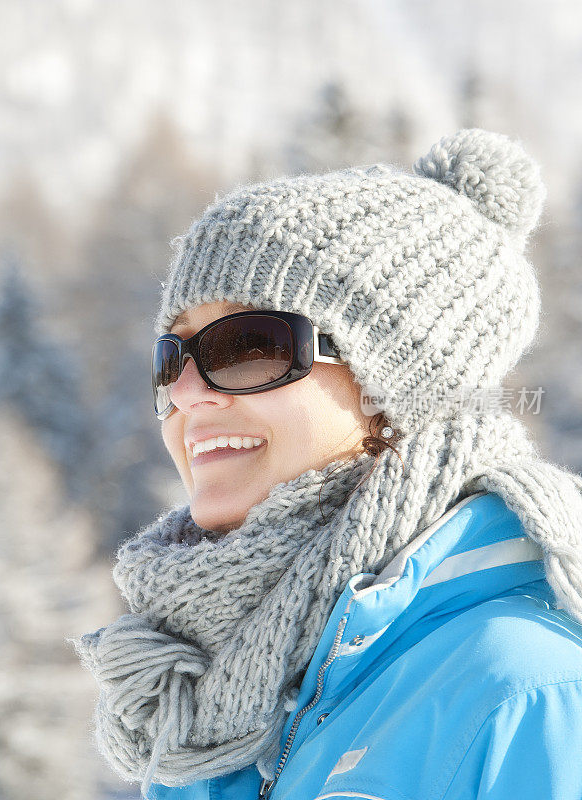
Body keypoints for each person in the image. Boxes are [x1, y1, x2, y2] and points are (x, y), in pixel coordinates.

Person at [72, 128, 582, 800]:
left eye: (247, 345)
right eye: (173, 359)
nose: (186, 394)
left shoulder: (526, 693)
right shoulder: (207, 720)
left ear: (398, 387)